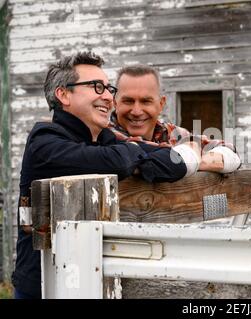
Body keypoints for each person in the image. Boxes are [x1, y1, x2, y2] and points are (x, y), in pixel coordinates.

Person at [12, 52, 200, 299]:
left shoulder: (104, 139)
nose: (108, 97)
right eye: (97, 87)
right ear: (64, 94)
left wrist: (188, 156)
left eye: (109, 88)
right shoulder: (44, 140)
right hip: (45, 288)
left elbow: (170, 162)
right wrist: (134, 153)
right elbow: (114, 161)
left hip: (96, 281)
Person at [110, 65, 241, 174]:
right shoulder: (105, 135)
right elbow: (139, 152)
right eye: (128, 101)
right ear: (115, 103)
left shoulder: (173, 133)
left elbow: (229, 148)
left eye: (146, 101)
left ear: (161, 104)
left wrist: (195, 161)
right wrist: (190, 157)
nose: (136, 111)